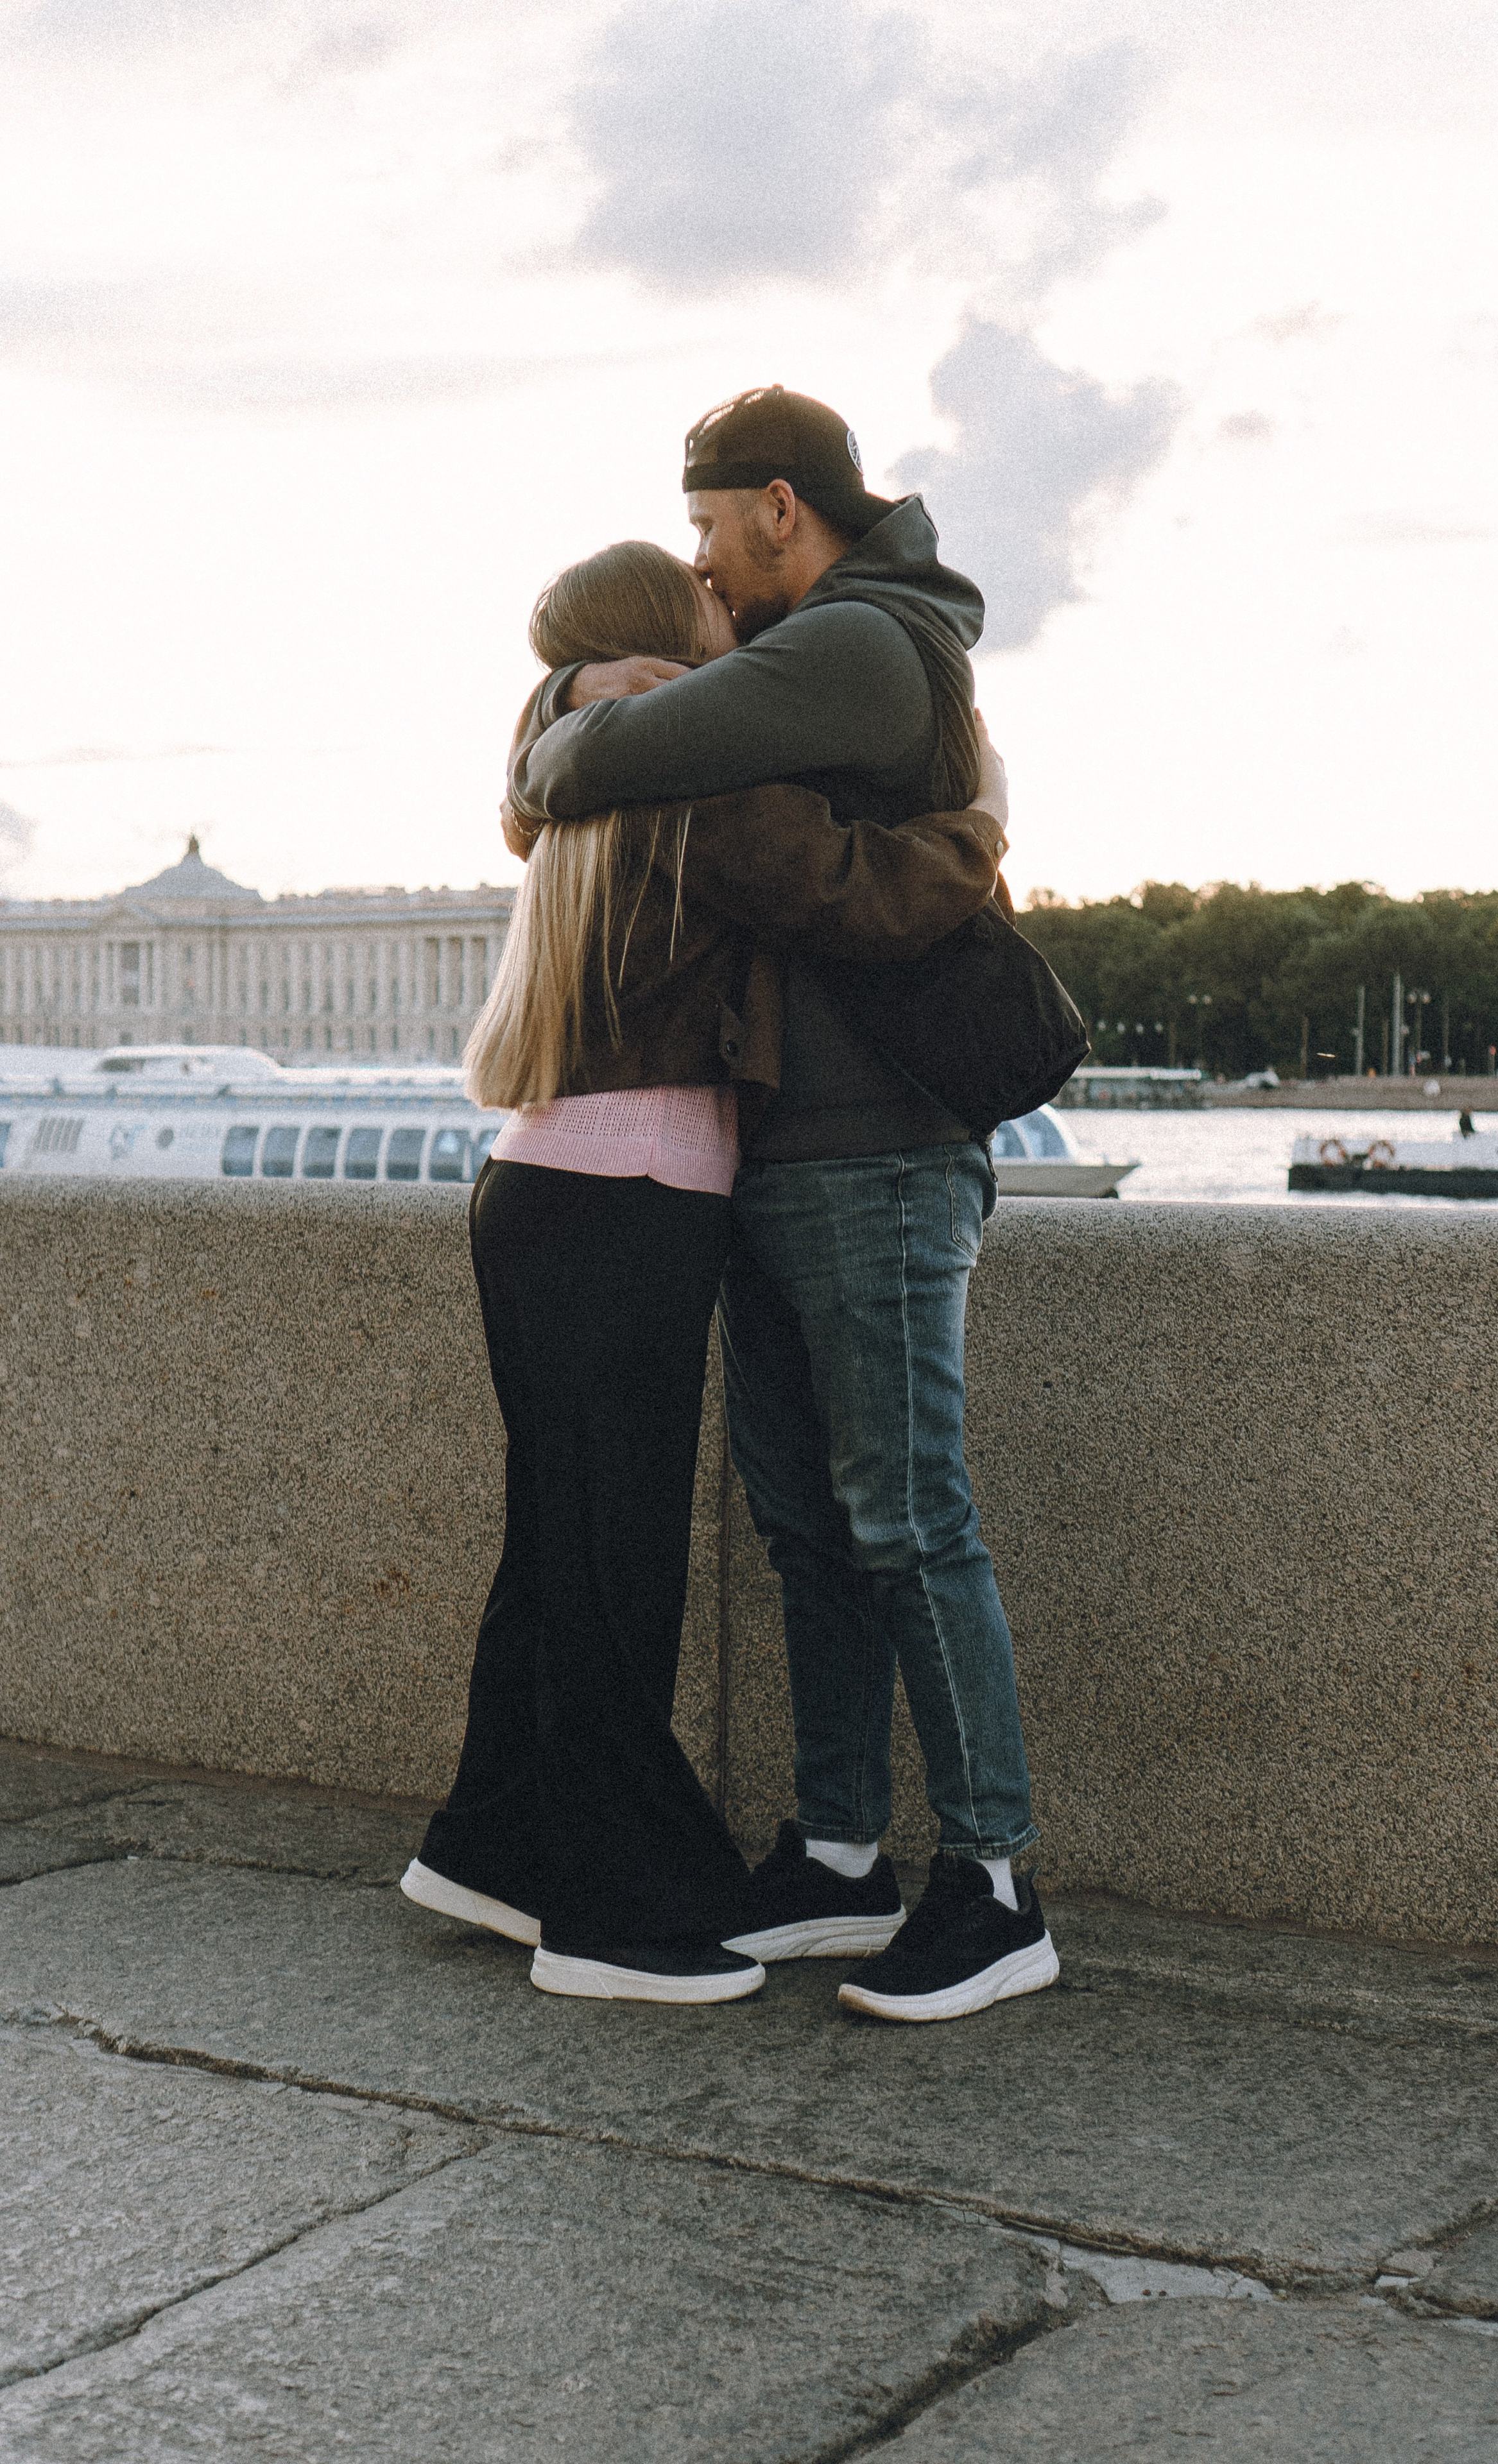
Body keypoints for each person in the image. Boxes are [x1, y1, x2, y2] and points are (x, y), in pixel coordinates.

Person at [508, 388, 1059, 2024]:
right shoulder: (795, 653)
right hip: (785, 1145)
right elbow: (588, 782)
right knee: (811, 1530)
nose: (696, 564)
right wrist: (568, 706)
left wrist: (569, 716)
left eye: (705, 528)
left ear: (775, 504)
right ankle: (835, 1855)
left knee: (905, 1519)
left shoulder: (856, 642)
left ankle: (992, 1886)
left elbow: (612, 770)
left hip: (876, 1146)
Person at [400, 536, 1008, 2006]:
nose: (724, 598)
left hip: (538, 1183)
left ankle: (491, 1846)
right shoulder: (694, 784)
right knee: (618, 1576)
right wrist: (982, 817)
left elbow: (523, 787)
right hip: (632, 1199)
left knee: (554, 1553)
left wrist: (564, 695)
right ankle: (610, 1918)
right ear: (669, 637)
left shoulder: (577, 764)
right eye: (705, 600)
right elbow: (865, 894)